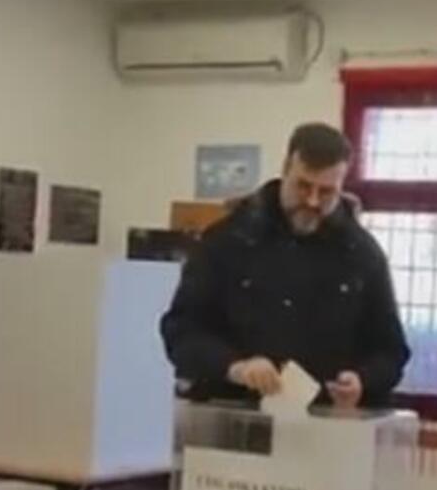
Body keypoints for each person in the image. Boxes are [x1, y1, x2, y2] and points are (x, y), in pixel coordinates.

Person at [161, 122, 410, 409]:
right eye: (303, 186)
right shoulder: (227, 240)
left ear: (342, 186)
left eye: (326, 192)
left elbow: (391, 351)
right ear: (285, 170)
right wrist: (235, 367)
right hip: (232, 414)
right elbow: (182, 331)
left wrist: (362, 380)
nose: (313, 201)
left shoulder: (363, 254)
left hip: (324, 422)